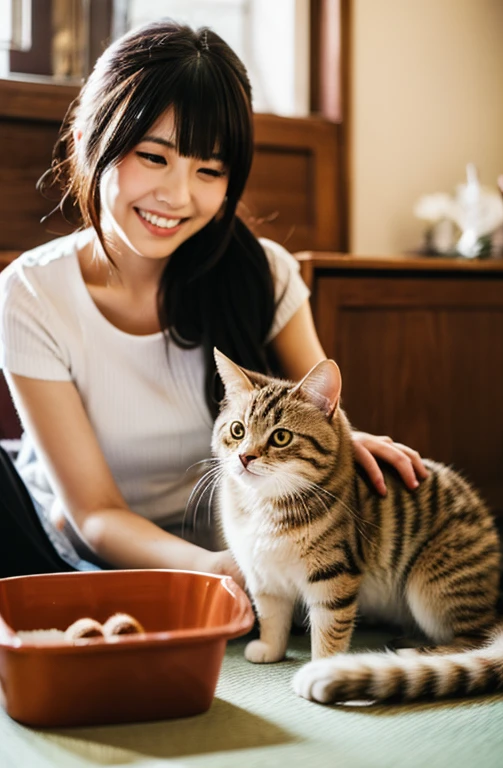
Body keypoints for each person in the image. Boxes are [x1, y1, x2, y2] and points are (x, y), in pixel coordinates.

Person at [0, 20, 428, 585]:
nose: (176, 197)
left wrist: (350, 447)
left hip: (238, 538)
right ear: (87, 142)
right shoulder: (31, 294)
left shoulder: (261, 272)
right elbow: (94, 514)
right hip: (68, 550)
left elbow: (320, 411)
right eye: (154, 157)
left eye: (208, 170)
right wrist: (215, 569)